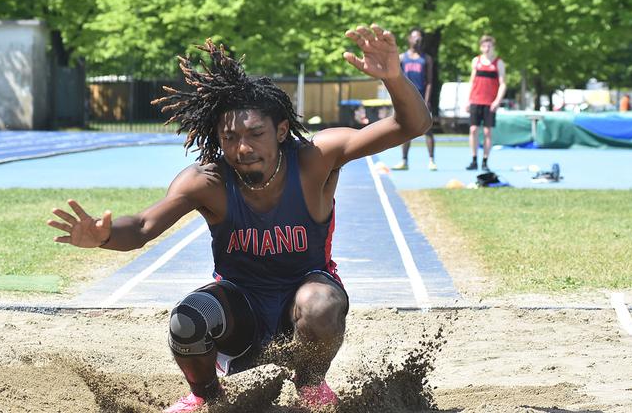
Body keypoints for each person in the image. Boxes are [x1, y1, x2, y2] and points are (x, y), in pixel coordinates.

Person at [46, 25, 431, 413]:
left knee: (319, 305)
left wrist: (394, 78)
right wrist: (104, 235)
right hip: (240, 310)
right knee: (188, 318)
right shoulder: (207, 182)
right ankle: (207, 398)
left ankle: (311, 385)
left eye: (255, 134)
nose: (242, 148)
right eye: (230, 137)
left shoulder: (315, 159)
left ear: (281, 131)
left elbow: (411, 125)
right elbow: (144, 227)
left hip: (306, 298)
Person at [391, 28, 437, 171]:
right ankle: (404, 161)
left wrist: (427, 100)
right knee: (406, 129)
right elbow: (396, 79)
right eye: (415, 37)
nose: (417, 40)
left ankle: (431, 160)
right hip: (405, 99)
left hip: (422, 98)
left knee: (427, 129)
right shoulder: (402, 58)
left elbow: (429, 82)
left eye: (420, 38)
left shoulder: (427, 59)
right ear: (409, 39)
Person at [465, 34, 506, 171]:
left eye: (489, 46)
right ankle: (474, 159)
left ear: (493, 47)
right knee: (473, 129)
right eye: (484, 46)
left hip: (490, 102)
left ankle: (485, 161)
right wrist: (468, 100)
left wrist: (497, 101)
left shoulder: (498, 63)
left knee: (488, 132)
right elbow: (472, 82)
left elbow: (503, 84)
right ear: (481, 47)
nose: (487, 48)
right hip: (476, 100)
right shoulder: (476, 61)